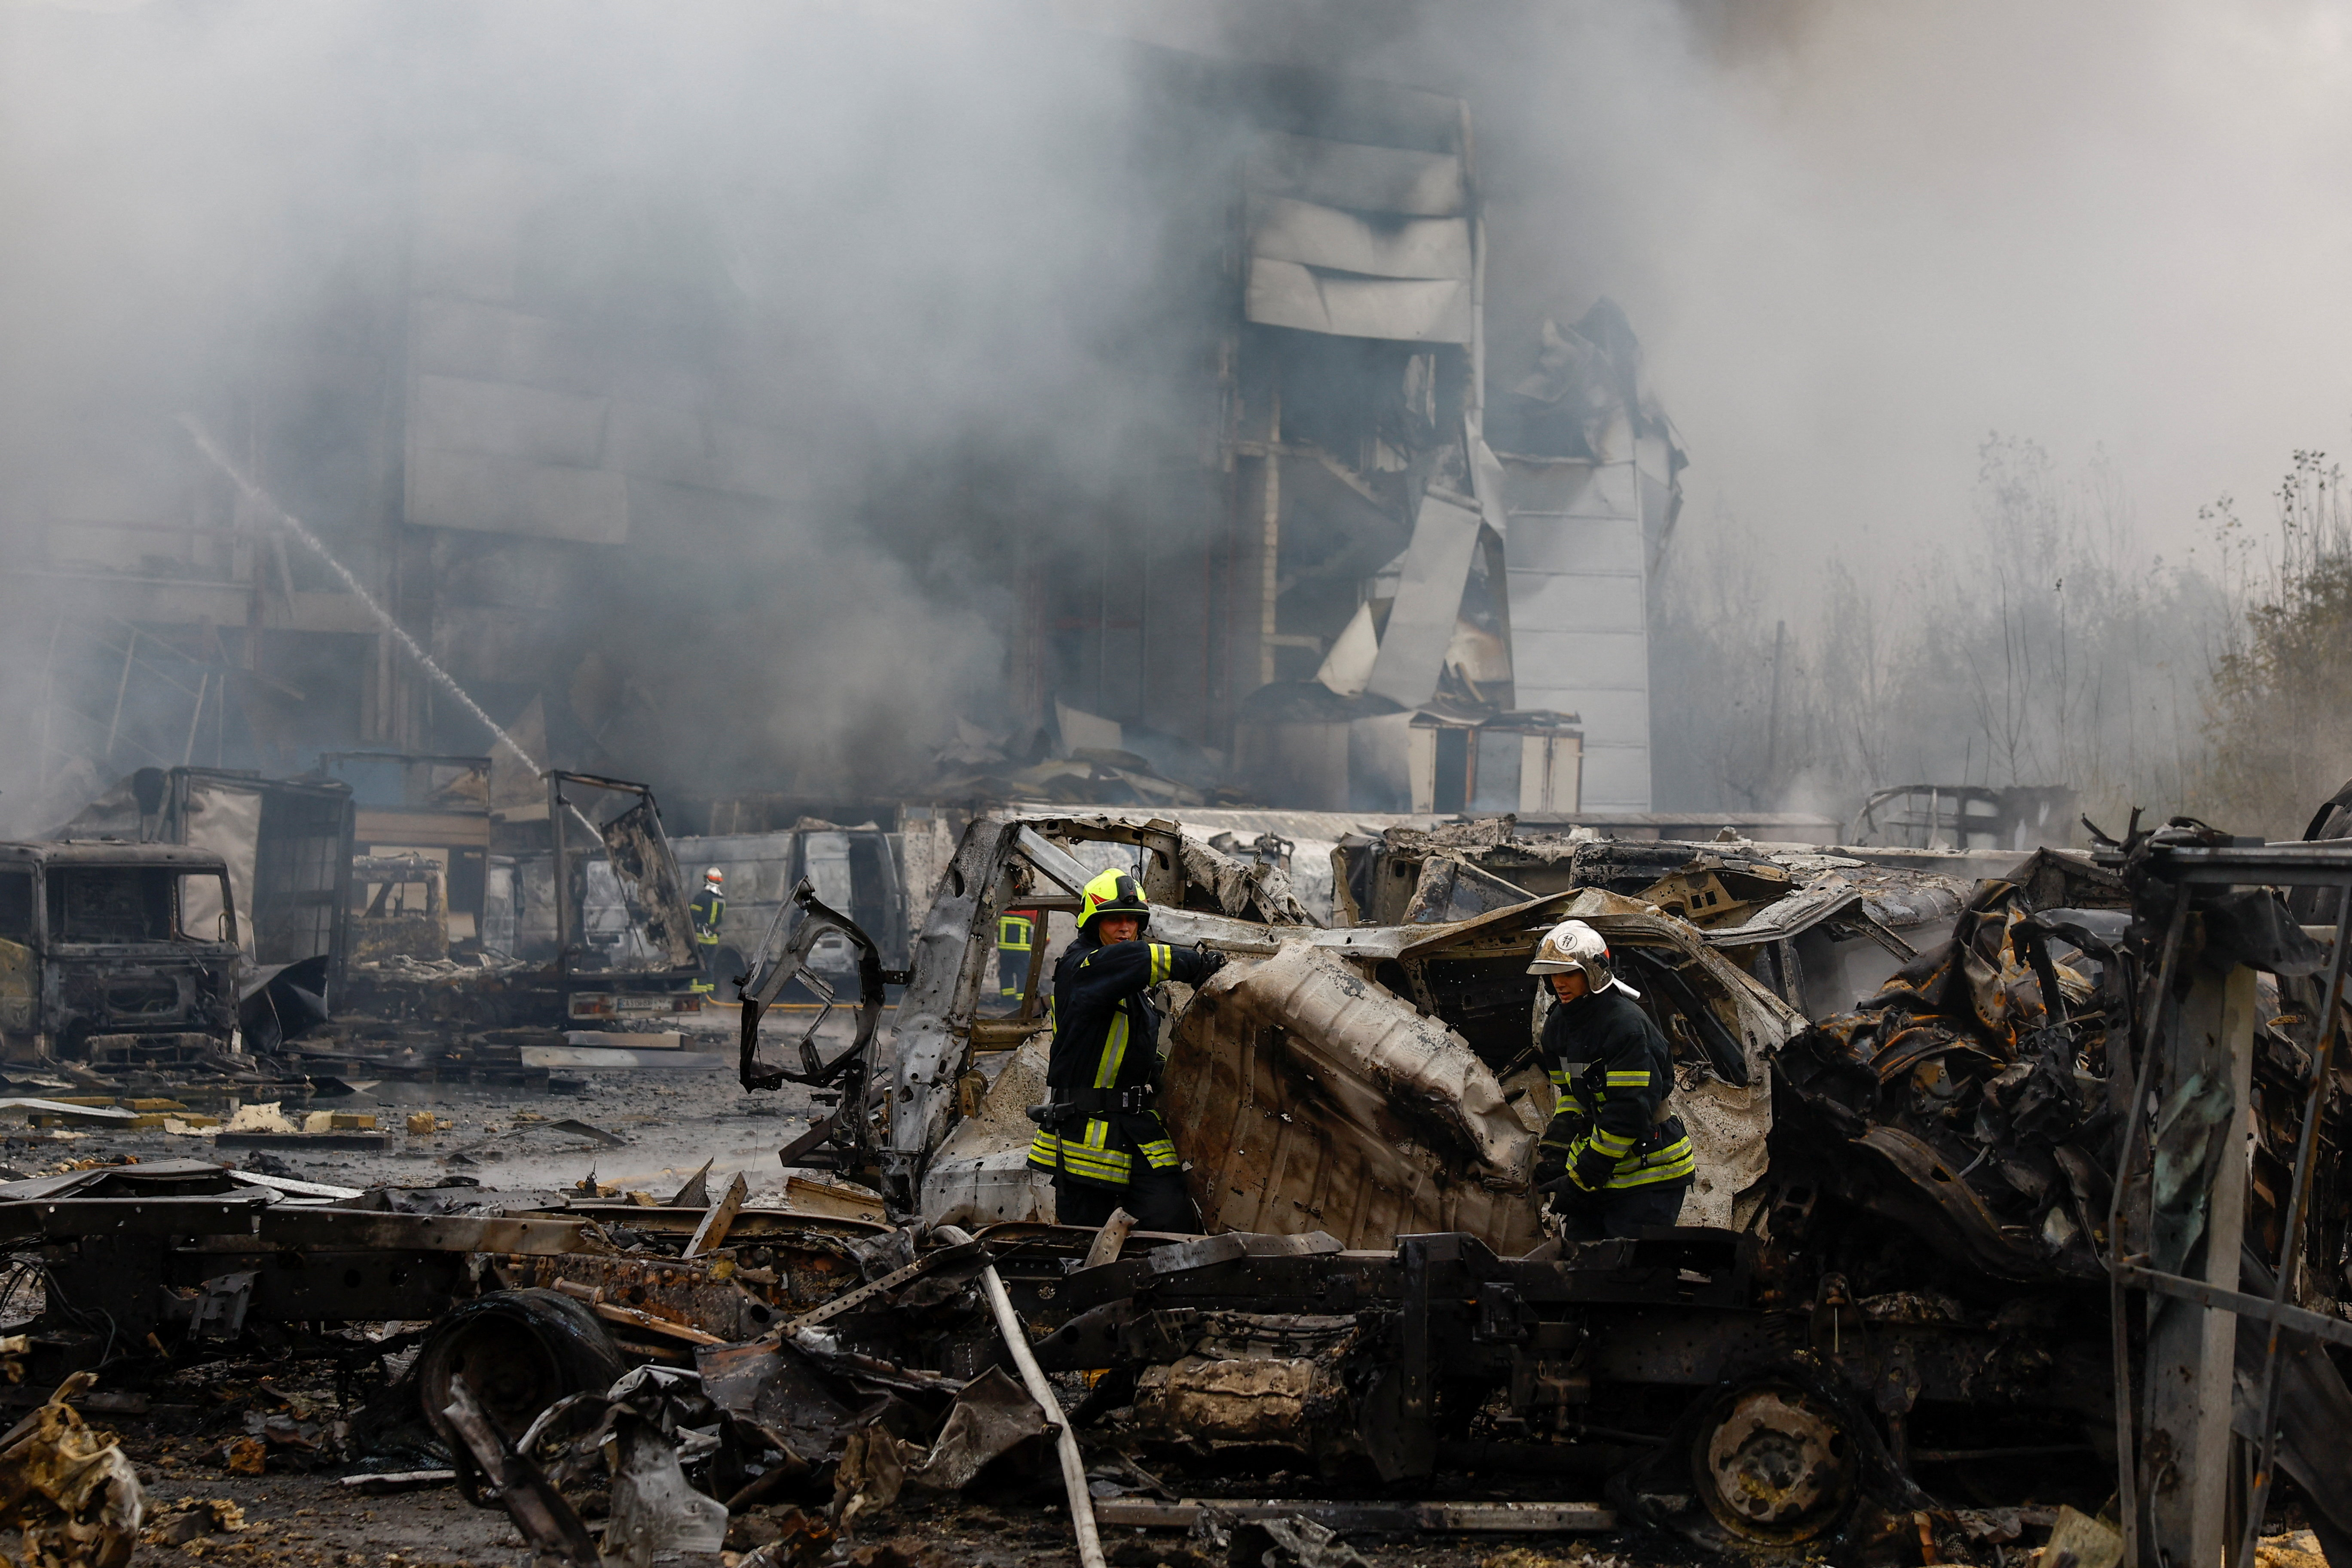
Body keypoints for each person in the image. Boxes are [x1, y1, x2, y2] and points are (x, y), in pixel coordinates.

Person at [1026, 867, 1223, 1232]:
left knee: (1173, 1225)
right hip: (1086, 1135)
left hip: (1135, 1128)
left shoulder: (1131, 990)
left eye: (1132, 920)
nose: (1125, 928)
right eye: (1114, 919)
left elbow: (1139, 1051)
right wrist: (1193, 963)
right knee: (1086, 1249)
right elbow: (1135, 959)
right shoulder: (1080, 967)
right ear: (1092, 923)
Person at [1527, 918, 1694, 1239]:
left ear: (1593, 972)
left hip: (1647, 1177)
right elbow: (1572, 1095)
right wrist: (1556, 1152)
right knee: (1578, 1269)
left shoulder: (1625, 1026)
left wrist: (1582, 1177)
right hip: (1600, 1174)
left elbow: (1627, 1113)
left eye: (1568, 973)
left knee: (1627, 1277)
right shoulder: (1559, 1027)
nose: (1559, 983)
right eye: (1553, 974)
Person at [689, 867, 727, 996]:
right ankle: (710, 994)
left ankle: (698, 994)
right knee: (710, 965)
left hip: (700, 938)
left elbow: (693, 916)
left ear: (706, 879)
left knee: (697, 965)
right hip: (713, 939)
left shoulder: (701, 898)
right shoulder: (722, 900)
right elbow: (720, 920)